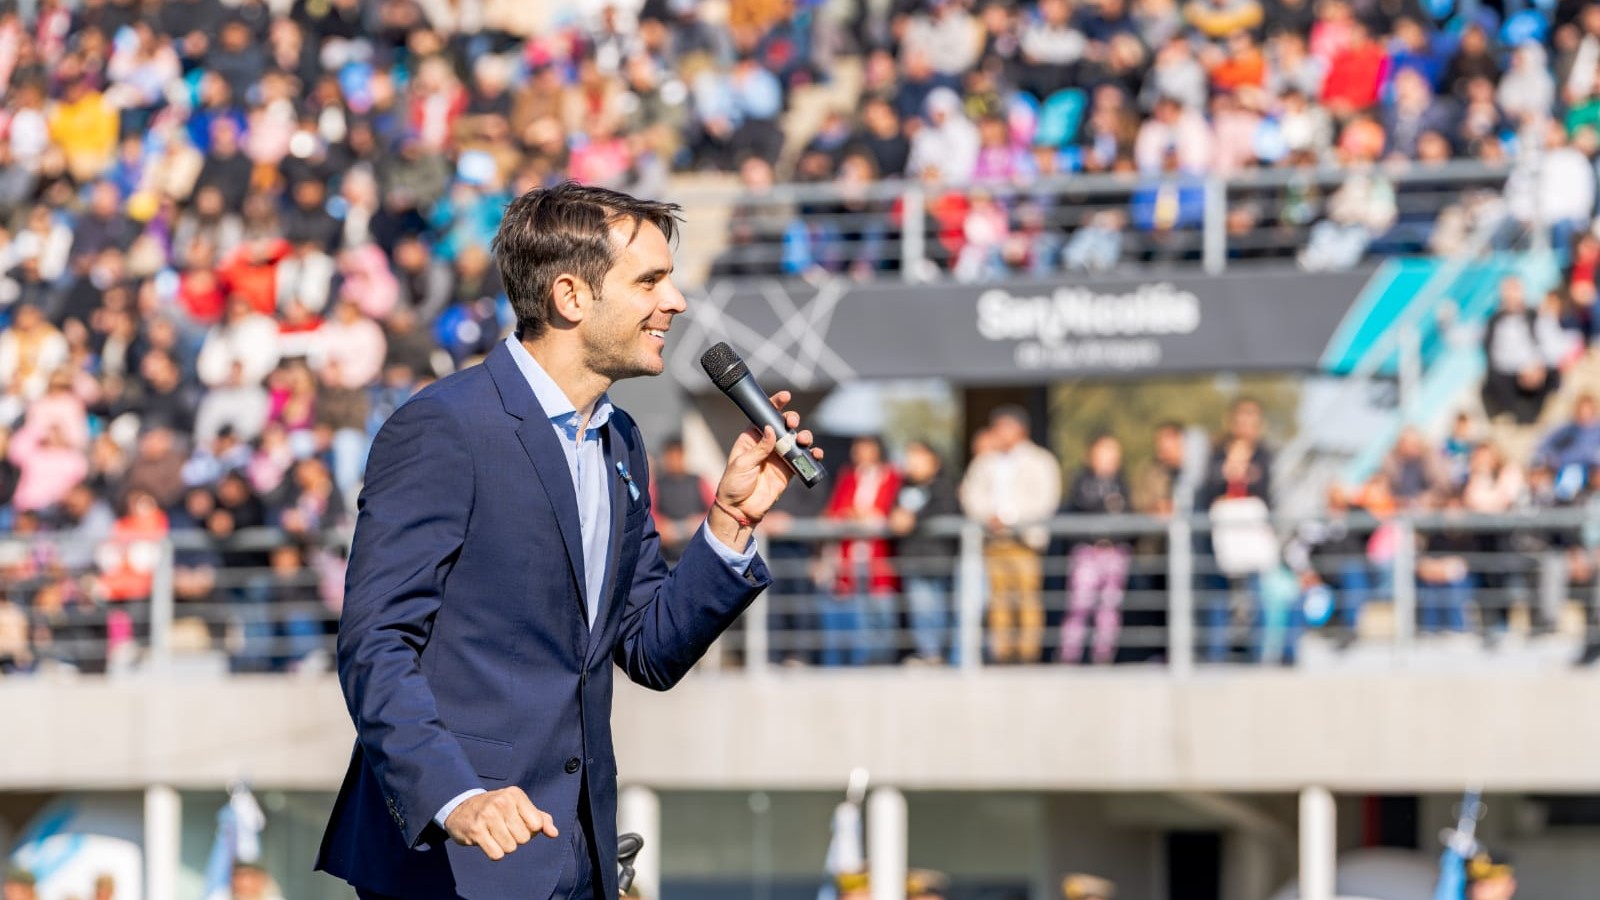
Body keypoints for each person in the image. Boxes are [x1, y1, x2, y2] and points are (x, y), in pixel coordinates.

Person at [317, 183, 823, 900]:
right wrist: (458, 799)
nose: (674, 301)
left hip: (575, 863)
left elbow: (648, 648)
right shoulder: (445, 427)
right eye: (649, 281)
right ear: (570, 296)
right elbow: (376, 644)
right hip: (453, 867)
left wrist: (730, 523)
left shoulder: (621, 439)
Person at [959, 406, 1062, 664]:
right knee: (998, 601)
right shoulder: (985, 461)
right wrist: (988, 516)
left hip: (1025, 540)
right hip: (993, 540)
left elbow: (1046, 500)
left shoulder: (1040, 460)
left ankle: (1028, 654)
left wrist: (1012, 518)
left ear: (1020, 430)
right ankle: (1002, 654)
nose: (1000, 434)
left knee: (1027, 598)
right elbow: (971, 495)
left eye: (1005, 427)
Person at [890, 440, 961, 665]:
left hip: (935, 560)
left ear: (934, 461)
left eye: (918, 457)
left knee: (933, 610)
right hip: (911, 559)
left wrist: (913, 519)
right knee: (918, 609)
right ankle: (927, 653)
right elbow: (894, 513)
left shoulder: (944, 486)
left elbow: (946, 511)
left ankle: (934, 655)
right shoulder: (904, 488)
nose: (912, 463)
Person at [649, 436, 714, 565]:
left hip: (698, 552)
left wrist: (699, 522)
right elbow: (650, 514)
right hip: (668, 556)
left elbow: (715, 510)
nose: (674, 461)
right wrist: (662, 527)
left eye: (677, 456)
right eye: (670, 457)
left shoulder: (698, 481)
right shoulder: (657, 485)